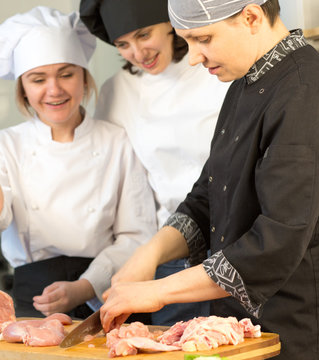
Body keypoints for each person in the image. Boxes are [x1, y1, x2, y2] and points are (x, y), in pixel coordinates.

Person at [99, 1, 319, 359]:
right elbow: (208, 197)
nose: (194, 57)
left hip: (304, 336)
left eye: (203, 39)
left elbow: (275, 243)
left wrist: (160, 291)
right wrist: (150, 254)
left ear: (252, 17)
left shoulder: (307, 95)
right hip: (242, 333)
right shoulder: (245, 85)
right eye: (187, 41)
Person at [0, 6, 157, 319]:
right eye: (38, 79)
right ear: (22, 88)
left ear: (84, 78)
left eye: (66, 74)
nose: (54, 90)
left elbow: (138, 235)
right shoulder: (2, 145)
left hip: (109, 290)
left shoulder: (118, 141)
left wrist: (85, 286)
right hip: (35, 299)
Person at [79, 0, 230, 326]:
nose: (137, 52)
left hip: (238, 248)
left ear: (170, 22)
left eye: (144, 35)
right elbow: (113, 177)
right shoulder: (116, 91)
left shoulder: (218, 66)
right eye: (123, 44)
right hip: (169, 255)